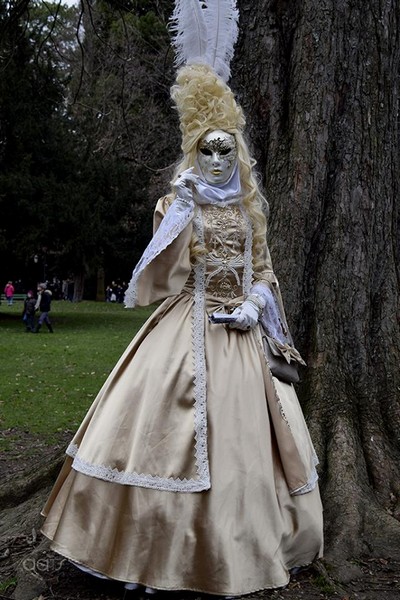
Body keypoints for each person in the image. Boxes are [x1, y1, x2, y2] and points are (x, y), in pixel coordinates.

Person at [41, 3, 323, 596]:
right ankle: (146, 552)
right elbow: (163, 274)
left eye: (226, 150)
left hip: (241, 340)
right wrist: (185, 210)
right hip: (183, 328)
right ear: (194, 150)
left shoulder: (250, 211)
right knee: (155, 437)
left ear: (238, 152)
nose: (217, 159)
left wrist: (254, 304)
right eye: (206, 149)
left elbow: (264, 270)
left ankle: (241, 548)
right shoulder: (177, 204)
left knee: (246, 452)